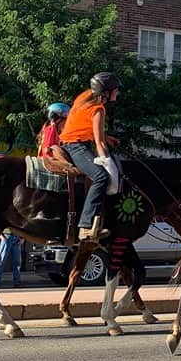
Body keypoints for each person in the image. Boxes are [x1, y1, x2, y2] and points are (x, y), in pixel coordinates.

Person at [59, 72, 122, 242]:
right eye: (115, 90)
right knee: (100, 177)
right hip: (76, 147)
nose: (117, 93)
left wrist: (108, 138)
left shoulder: (85, 97)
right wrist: (108, 164)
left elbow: (84, 126)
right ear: (106, 92)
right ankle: (85, 226)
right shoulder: (98, 109)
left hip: (71, 142)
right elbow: (99, 143)